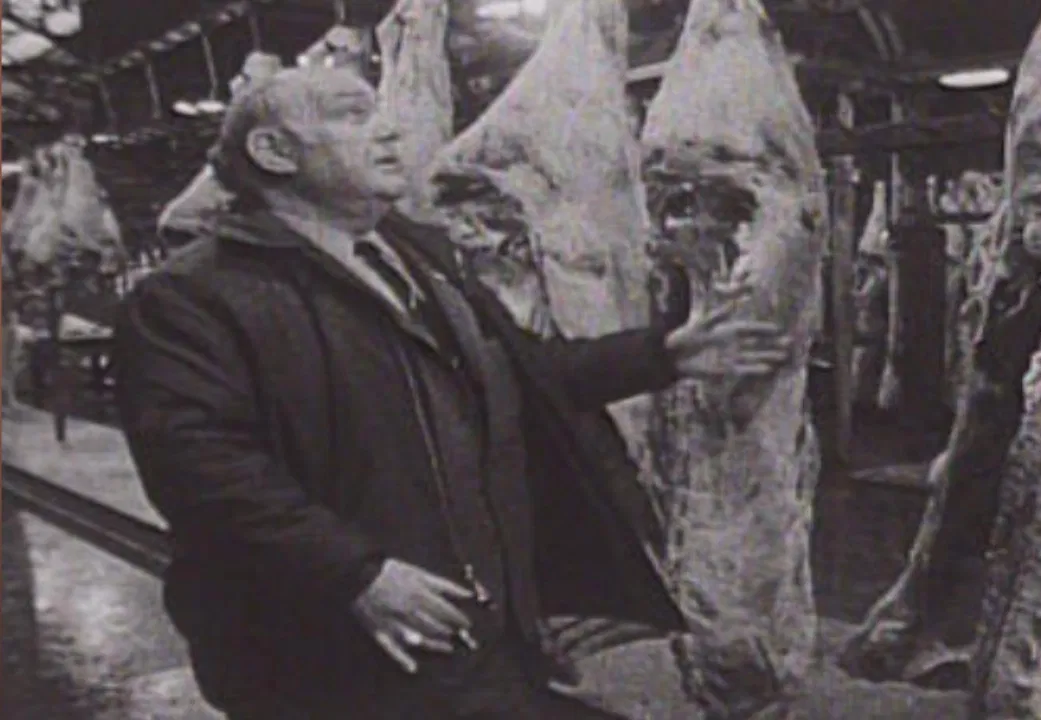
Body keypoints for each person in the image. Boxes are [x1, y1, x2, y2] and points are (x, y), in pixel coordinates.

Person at [112, 65, 794, 719]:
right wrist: (356, 575)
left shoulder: (413, 257)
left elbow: (513, 378)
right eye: (353, 115)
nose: (387, 130)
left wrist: (663, 355)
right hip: (334, 661)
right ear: (274, 151)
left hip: (477, 637)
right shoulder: (195, 294)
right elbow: (202, 469)